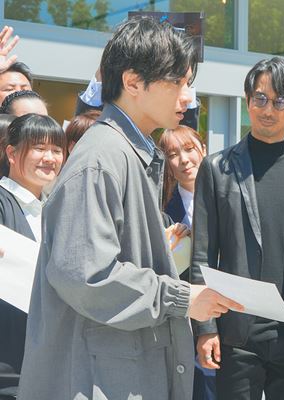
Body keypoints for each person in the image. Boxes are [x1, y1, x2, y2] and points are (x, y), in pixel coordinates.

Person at [18, 17, 242, 400]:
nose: (188, 97)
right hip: (97, 379)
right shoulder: (101, 158)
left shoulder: (128, 153)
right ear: (133, 82)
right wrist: (181, 297)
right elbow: (85, 276)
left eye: (189, 83)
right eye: (178, 82)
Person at [191, 56, 284, 400]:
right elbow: (202, 254)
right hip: (238, 333)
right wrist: (205, 327)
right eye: (260, 98)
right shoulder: (217, 168)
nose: (268, 110)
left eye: (280, 101)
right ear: (247, 101)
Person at [0, 114, 65, 398]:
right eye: (39, 148)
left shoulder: (56, 210)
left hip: (47, 368)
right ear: (11, 153)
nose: (49, 158)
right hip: (8, 370)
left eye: (57, 150)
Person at [157, 125, 216, 400]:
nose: (183, 159)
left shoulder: (227, 197)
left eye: (189, 149)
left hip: (225, 313)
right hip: (183, 316)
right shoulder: (161, 209)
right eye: (172, 154)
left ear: (203, 149)